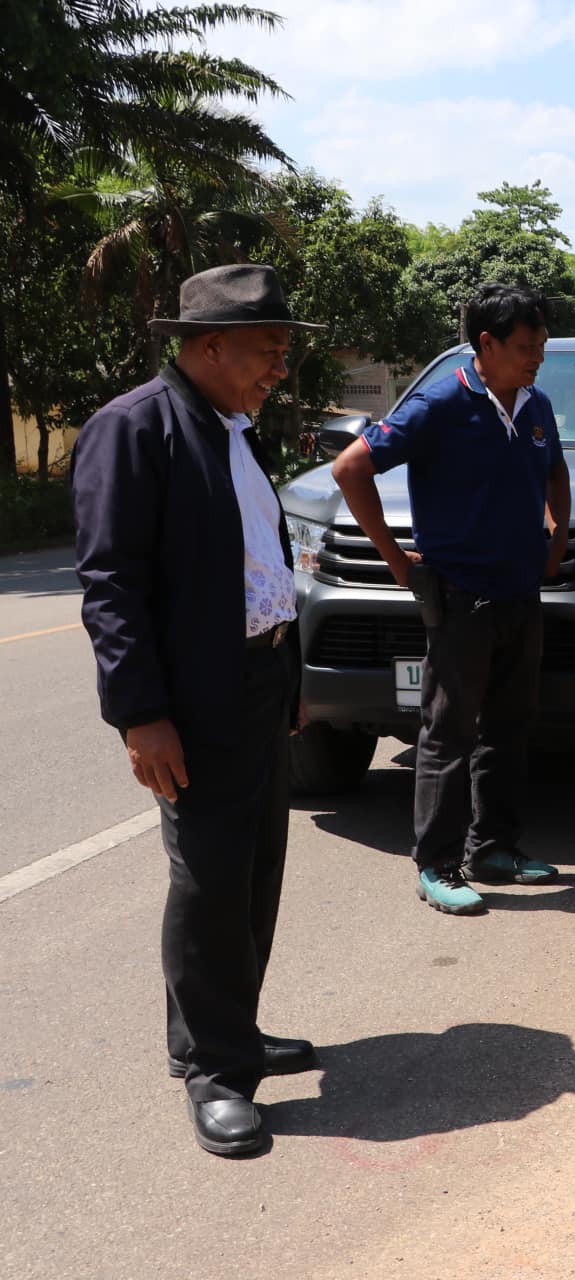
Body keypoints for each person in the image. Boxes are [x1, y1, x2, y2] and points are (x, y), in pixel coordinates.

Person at [72, 263, 320, 1157]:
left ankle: (228, 1034)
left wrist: (287, 682)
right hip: (193, 701)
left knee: (253, 873)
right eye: (267, 351)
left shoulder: (232, 428)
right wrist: (140, 715)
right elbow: (112, 583)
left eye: (282, 353)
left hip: (257, 686)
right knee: (209, 882)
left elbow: (260, 563)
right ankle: (216, 1072)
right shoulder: (134, 429)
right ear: (207, 345)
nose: (276, 370)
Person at [331, 284, 570, 915]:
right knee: (448, 732)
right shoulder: (438, 402)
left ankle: (494, 848)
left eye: (541, 346)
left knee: (511, 729)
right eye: (526, 347)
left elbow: (555, 473)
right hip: (462, 597)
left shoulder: (536, 403)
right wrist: (394, 558)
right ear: (486, 344)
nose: (537, 358)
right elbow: (350, 467)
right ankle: (437, 864)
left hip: (522, 594)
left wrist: (557, 533)